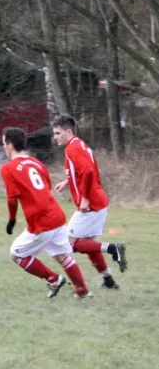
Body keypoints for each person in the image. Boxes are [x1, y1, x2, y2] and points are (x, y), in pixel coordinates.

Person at [0, 127, 91, 298]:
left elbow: (12, 198)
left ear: (10, 146)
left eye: (4, 143)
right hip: (56, 215)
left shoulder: (8, 168)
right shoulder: (37, 163)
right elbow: (46, 186)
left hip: (41, 221)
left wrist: (12, 219)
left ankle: (53, 279)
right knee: (62, 256)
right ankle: (83, 291)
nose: (3, 147)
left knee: (16, 254)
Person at [52, 115, 127, 289]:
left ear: (68, 132)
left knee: (68, 243)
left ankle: (112, 248)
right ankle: (108, 280)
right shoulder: (79, 145)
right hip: (98, 202)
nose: (54, 136)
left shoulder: (72, 148)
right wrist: (67, 181)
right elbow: (83, 171)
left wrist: (84, 199)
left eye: (57, 133)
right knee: (89, 246)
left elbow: (88, 173)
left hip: (91, 205)